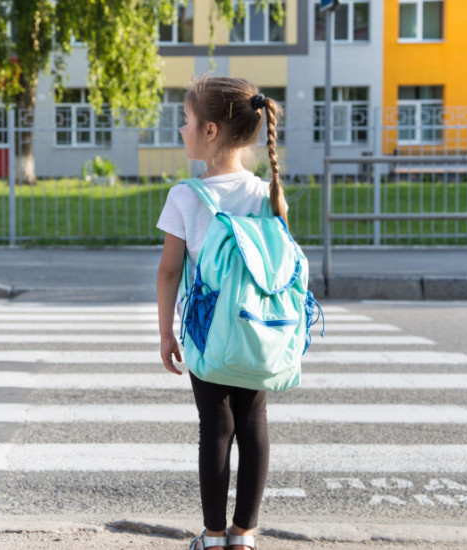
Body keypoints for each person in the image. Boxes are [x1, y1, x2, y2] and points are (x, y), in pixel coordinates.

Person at [155, 76, 287, 550]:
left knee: (215, 425)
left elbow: (168, 272)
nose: (181, 129)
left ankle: (212, 536)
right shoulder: (265, 192)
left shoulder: (185, 197)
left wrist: (166, 333)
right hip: (256, 329)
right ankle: (244, 535)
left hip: (207, 333)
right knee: (254, 423)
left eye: (186, 121)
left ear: (210, 131)